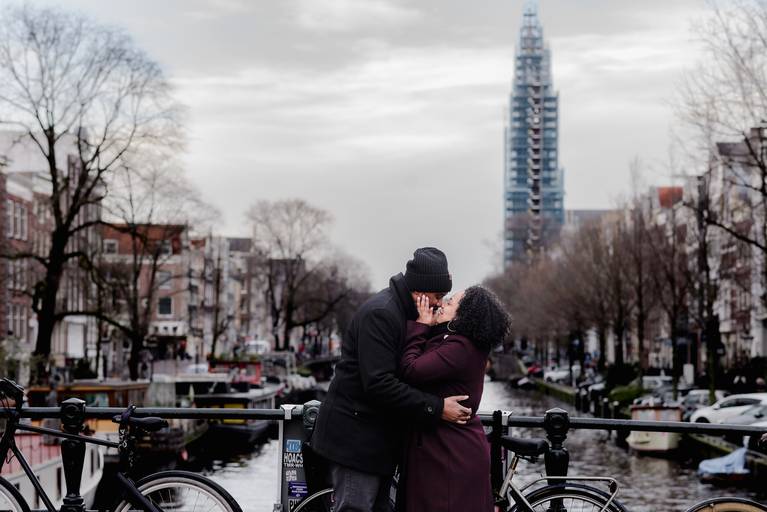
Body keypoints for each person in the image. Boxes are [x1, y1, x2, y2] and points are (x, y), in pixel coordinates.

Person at [311, 247, 472, 512]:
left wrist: (429, 327)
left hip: (375, 442)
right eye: (437, 295)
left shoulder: (407, 314)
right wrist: (438, 408)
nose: (440, 303)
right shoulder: (382, 314)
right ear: (419, 290)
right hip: (356, 442)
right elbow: (379, 384)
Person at [399, 286, 512, 511]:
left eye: (450, 303)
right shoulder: (459, 343)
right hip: (446, 449)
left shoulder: (460, 347)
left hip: (450, 454)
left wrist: (420, 326)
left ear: (464, 317)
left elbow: (411, 369)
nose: (442, 304)